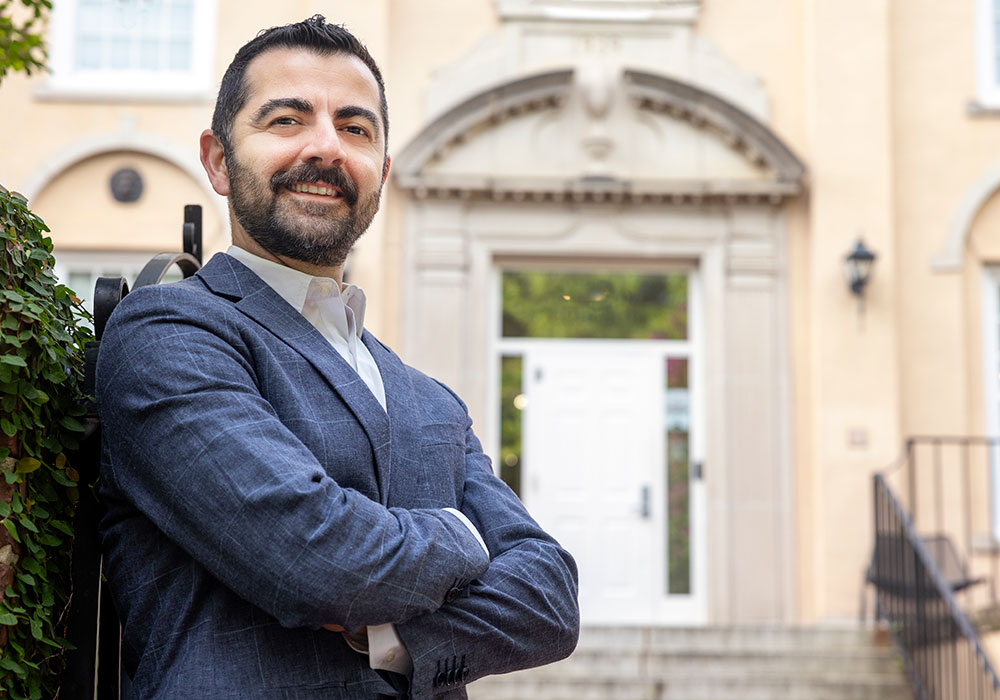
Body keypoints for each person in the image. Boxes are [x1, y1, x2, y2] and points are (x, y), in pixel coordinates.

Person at [95, 15, 579, 700]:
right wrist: (462, 533)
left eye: (355, 129)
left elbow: (550, 600)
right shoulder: (172, 333)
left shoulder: (429, 398)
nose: (326, 147)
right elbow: (316, 557)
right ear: (218, 159)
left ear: (381, 171)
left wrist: (386, 635)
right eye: (287, 120)